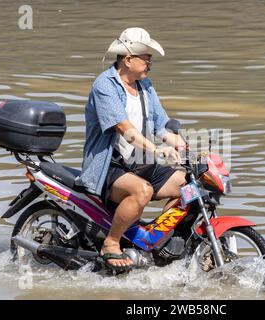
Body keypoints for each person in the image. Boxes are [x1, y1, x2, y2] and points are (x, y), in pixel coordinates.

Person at [77, 27, 187, 271]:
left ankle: (157, 241)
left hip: (140, 161)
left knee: (188, 187)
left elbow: (161, 124)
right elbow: (125, 129)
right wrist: (157, 150)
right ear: (127, 59)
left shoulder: (145, 85)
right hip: (109, 166)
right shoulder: (104, 85)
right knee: (143, 191)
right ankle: (111, 242)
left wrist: (179, 142)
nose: (149, 63)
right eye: (146, 58)